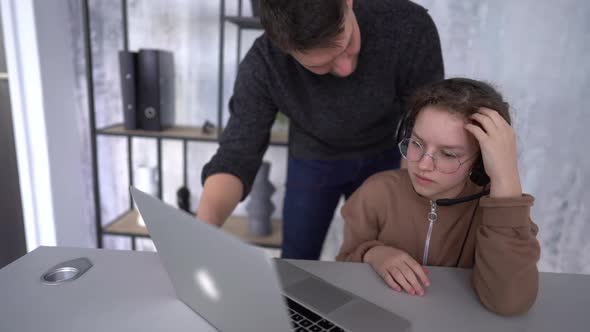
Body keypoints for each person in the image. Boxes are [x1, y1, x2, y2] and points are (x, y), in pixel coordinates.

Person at [198, 0, 444, 259]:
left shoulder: (408, 26)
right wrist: (201, 231)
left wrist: (410, 210)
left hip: (385, 152)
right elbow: (237, 155)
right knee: (298, 260)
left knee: (388, 257)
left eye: (348, 43)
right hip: (312, 157)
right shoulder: (264, 64)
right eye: (320, 66)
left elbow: (423, 124)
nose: (346, 68)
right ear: (285, 49)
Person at [336, 78, 540, 315]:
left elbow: (509, 302)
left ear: (480, 163)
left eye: (448, 154)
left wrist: (506, 181)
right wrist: (373, 253)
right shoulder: (375, 193)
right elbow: (345, 266)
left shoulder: (495, 212)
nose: (423, 164)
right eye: (417, 143)